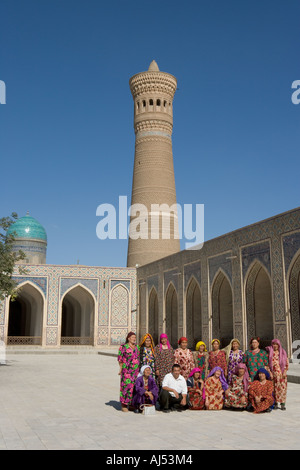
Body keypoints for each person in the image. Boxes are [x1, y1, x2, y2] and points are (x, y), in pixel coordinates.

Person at [117, 332, 140, 412]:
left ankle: (131, 404)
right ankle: (124, 404)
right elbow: (120, 358)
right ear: (128, 338)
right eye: (133, 337)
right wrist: (120, 368)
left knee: (134, 387)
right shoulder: (123, 347)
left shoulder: (137, 347)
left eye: (135, 337)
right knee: (126, 387)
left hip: (135, 371)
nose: (134, 339)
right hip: (126, 371)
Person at [266, 339, 289, 410]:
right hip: (273, 374)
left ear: (279, 345)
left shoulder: (283, 353)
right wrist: (270, 373)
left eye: (276, 344)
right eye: (273, 344)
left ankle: (282, 404)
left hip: (281, 374)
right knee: (274, 389)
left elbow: (286, 363)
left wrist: (284, 372)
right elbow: (267, 364)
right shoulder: (270, 353)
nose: (275, 346)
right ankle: (275, 403)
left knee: (282, 389)